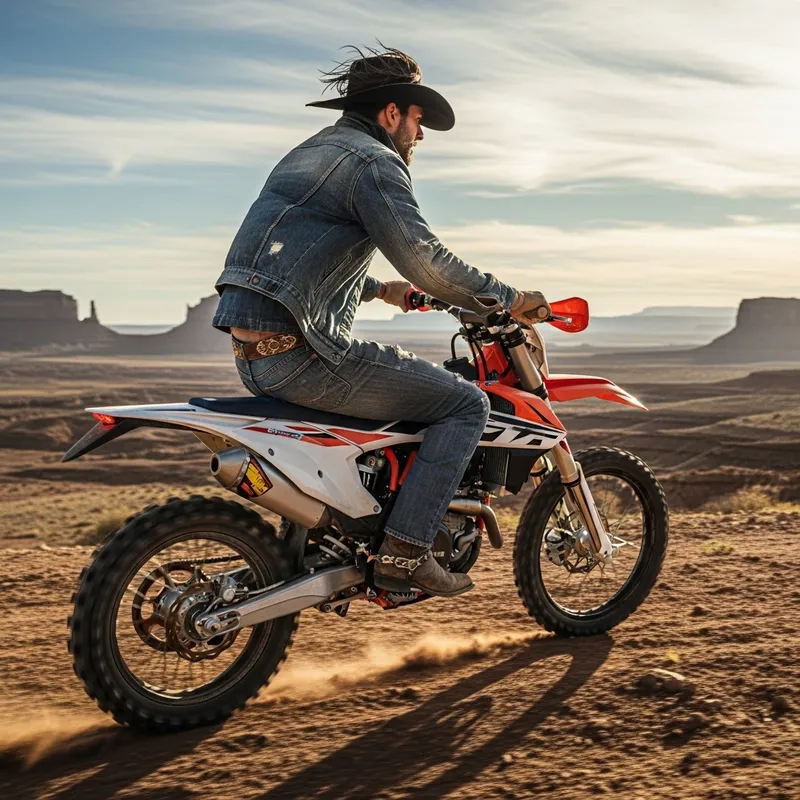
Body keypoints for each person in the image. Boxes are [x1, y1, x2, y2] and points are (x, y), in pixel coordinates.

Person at [212, 45, 550, 598]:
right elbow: (426, 259)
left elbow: (289, 254)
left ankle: (343, 534)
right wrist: (508, 298)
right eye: (417, 120)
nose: (421, 136)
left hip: (254, 355)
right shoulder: (374, 161)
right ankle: (404, 554)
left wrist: (378, 289)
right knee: (466, 404)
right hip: (303, 356)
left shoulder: (309, 152)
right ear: (391, 114)